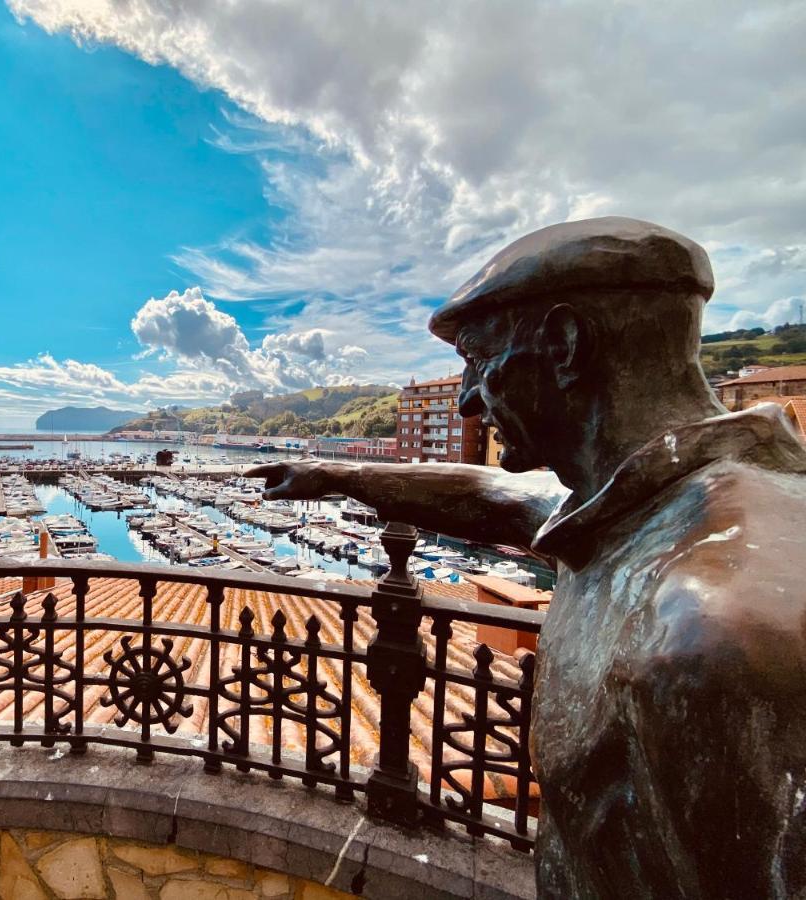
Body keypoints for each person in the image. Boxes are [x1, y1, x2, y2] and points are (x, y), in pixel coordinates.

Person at [250, 217, 806, 898]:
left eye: (480, 365)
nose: (467, 402)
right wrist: (333, 475)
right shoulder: (634, 513)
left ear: (565, 346)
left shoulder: (712, 632)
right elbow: (492, 494)